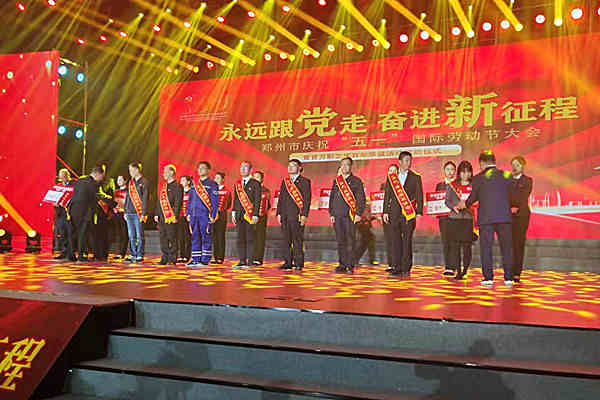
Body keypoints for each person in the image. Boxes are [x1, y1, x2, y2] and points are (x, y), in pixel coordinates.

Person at [458, 150, 514, 287]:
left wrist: (464, 204)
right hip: (504, 217)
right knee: (507, 248)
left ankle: (488, 278)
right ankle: (508, 278)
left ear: (482, 163)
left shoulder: (478, 178)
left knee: (486, 248)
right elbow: (513, 194)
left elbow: (473, 197)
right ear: (494, 161)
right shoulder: (506, 176)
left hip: (486, 218)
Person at [383, 151, 423, 278]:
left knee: (407, 241)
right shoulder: (392, 177)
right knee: (395, 241)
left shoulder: (415, 177)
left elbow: (419, 195)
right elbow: (387, 195)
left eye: (410, 160)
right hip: (394, 213)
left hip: (409, 214)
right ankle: (396, 266)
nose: (409, 163)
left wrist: (419, 212)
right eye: (406, 160)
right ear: (399, 162)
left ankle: (406, 267)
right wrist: (385, 211)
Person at [329, 157, 366, 274]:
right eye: (342, 165)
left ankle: (350, 265)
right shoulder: (337, 181)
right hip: (337, 215)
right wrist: (331, 213)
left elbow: (361, 199)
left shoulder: (356, 181)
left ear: (351, 166)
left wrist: (358, 213)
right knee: (340, 241)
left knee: (350, 240)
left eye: (347, 164)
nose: (344, 167)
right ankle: (342, 264)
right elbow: (332, 198)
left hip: (350, 215)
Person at [276, 159, 311, 271]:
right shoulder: (285, 182)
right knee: (286, 240)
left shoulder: (305, 181)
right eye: (289, 165)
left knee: (297, 240)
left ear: (300, 168)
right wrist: (279, 213)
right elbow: (281, 199)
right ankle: (287, 262)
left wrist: (304, 215)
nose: (290, 167)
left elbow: (307, 200)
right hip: (285, 215)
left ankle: (298, 262)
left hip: (297, 215)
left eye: (293, 165)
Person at [445, 161, 476, 280]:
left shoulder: (474, 186)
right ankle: (458, 270)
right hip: (455, 219)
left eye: (468, 172)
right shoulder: (452, 185)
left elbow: (477, 201)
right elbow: (447, 201)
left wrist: (468, 206)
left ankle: (465, 269)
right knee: (455, 247)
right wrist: (454, 207)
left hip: (468, 219)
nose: (465, 174)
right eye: (463, 172)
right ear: (459, 173)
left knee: (467, 247)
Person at [69, 165, 105, 261]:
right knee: (82, 234)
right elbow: (96, 198)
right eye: (102, 176)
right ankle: (81, 256)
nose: (102, 179)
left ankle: (71, 255)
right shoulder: (93, 184)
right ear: (98, 174)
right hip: (85, 212)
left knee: (73, 233)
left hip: (73, 209)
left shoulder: (79, 180)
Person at [186, 162, 219, 267]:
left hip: (205, 215)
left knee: (206, 236)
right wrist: (188, 212)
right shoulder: (194, 185)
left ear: (208, 170)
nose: (200, 170)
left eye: (203, 168)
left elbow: (215, 201)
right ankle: (195, 259)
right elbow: (190, 200)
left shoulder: (212, 184)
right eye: (199, 168)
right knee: (194, 236)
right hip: (194, 215)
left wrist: (213, 215)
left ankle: (205, 259)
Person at [232, 161, 262, 269]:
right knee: (240, 238)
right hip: (239, 214)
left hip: (250, 215)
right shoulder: (237, 184)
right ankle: (242, 260)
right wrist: (233, 212)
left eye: (245, 167)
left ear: (250, 170)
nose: (243, 169)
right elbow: (236, 199)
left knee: (250, 238)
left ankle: (250, 261)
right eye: (241, 167)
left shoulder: (255, 183)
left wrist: (255, 214)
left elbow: (258, 200)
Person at [154, 165, 183, 265]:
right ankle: (164, 257)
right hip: (162, 216)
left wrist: (175, 215)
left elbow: (178, 202)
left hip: (171, 216)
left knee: (172, 237)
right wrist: (156, 213)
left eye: (165, 172)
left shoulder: (178, 186)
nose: (163, 174)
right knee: (163, 237)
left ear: (171, 172)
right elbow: (159, 202)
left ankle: (173, 258)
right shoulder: (164, 187)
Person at [510, 156, 532, 283]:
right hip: (508, 215)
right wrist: (510, 207)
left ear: (522, 166)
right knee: (509, 243)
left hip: (521, 215)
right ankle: (509, 270)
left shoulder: (528, 180)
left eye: (517, 165)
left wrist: (516, 206)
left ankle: (517, 272)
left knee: (519, 243)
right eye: (513, 165)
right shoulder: (508, 180)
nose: (514, 167)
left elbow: (523, 196)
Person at [124, 162, 149, 263]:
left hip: (138, 213)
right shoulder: (131, 183)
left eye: (131, 170)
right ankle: (133, 253)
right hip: (129, 212)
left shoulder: (144, 182)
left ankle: (139, 254)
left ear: (137, 170)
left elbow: (145, 198)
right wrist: (125, 210)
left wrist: (144, 213)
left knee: (139, 235)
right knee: (131, 235)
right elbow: (127, 197)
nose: (130, 172)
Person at [436, 161, 456, 276]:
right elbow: (436, 200)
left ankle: (454, 266)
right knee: (445, 241)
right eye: (448, 169)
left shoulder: (458, 185)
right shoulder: (440, 185)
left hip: (456, 218)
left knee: (454, 242)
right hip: (443, 218)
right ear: (444, 171)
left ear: (455, 171)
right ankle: (448, 266)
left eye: (452, 169)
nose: (450, 172)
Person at [93, 162, 116, 261]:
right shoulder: (94, 182)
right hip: (96, 210)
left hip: (105, 211)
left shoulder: (109, 181)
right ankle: (96, 253)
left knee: (104, 234)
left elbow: (112, 196)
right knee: (95, 233)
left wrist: (110, 210)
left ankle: (104, 254)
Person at [53, 168, 75, 261]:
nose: (63, 179)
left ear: (68, 176)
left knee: (71, 233)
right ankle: (64, 252)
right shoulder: (58, 186)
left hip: (71, 212)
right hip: (61, 213)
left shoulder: (73, 185)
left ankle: (71, 253)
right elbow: (54, 198)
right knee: (62, 233)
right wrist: (54, 202)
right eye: (61, 177)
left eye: (64, 176)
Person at [381, 164, 398, 272]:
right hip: (386, 216)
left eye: (394, 171)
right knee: (388, 240)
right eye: (390, 170)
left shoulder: (400, 185)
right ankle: (391, 264)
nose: (391, 173)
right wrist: (384, 212)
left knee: (396, 240)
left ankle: (397, 263)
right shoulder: (384, 185)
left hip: (397, 215)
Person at [212, 172, 232, 264]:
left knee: (220, 236)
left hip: (221, 215)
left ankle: (220, 257)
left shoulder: (227, 191)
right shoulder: (212, 191)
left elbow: (228, 204)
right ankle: (215, 257)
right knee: (214, 236)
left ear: (223, 180)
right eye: (215, 178)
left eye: (218, 178)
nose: (216, 180)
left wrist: (220, 210)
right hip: (212, 216)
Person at [252, 170, 271, 266]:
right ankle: (250, 257)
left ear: (262, 179)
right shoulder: (249, 190)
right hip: (250, 217)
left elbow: (268, 205)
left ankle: (258, 258)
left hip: (262, 217)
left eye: (257, 177)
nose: (255, 179)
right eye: (254, 177)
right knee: (250, 237)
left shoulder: (266, 191)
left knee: (260, 238)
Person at [354, 202, 379, 266]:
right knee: (366, 241)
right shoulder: (363, 204)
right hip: (362, 224)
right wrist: (373, 217)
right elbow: (365, 216)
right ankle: (371, 259)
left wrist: (374, 217)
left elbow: (368, 216)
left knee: (365, 242)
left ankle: (356, 259)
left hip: (364, 224)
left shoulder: (367, 205)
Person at [112, 175, 129, 259]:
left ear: (125, 181)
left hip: (125, 214)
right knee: (118, 233)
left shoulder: (128, 191)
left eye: (120, 180)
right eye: (118, 180)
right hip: (116, 214)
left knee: (124, 233)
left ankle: (122, 252)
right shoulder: (116, 191)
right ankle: (118, 252)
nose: (118, 181)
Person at [177, 175, 193, 263]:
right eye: (181, 180)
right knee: (180, 236)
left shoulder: (192, 192)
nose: (181, 182)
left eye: (183, 180)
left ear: (188, 182)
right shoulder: (179, 192)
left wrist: (190, 214)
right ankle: (181, 255)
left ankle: (187, 255)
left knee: (188, 236)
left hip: (189, 217)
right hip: (180, 216)